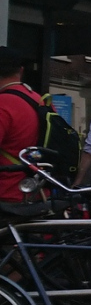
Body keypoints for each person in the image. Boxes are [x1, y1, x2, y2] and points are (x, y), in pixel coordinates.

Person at [0, 48, 44, 202]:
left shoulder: (3, 104)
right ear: (21, 70)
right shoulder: (40, 101)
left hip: (6, 196)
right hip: (38, 194)